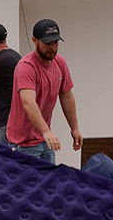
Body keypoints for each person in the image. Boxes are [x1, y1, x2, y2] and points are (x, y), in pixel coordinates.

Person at [6, 18, 83, 163]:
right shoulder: (26, 67)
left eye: (55, 43)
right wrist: (46, 131)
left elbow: (66, 96)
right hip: (24, 143)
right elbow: (28, 102)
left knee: (49, 183)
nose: (52, 47)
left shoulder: (60, 63)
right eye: (48, 43)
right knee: (28, 185)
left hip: (44, 139)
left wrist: (74, 128)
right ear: (34, 41)